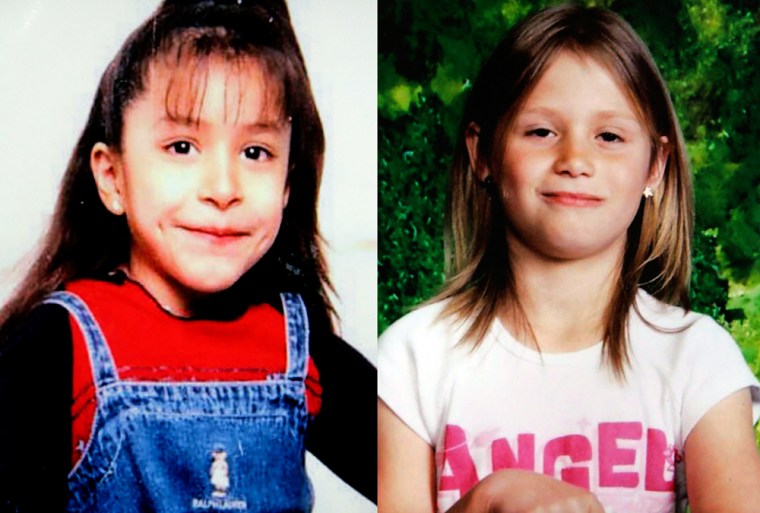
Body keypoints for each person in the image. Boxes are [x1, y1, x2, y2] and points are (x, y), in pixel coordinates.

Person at [378, 4, 760, 513]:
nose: (575, 161)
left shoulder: (699, 361)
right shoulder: (410, 360)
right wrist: (482, 503)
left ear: (655, 166)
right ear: (482, 154)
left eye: (609, 137)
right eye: (541, 132)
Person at [0, 0, 376, 511]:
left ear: (287, 187)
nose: (223, 188)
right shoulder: (54, 347)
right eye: (181, 146)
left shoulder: (297, 349)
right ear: (112, 177)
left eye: (255, 153)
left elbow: (430, 480)